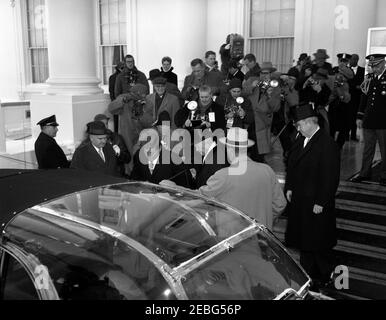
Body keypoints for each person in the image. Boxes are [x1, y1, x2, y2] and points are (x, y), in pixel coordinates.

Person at [285, 103, 340, 291]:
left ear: (310, 122)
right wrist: (289, 187)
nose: (297, 128)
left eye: (299, 124)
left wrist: (321, 201)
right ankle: (308, 274)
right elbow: (292, 165)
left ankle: (325, 276)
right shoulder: (301, 139)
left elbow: (330, 176)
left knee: (317, 241)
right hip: (301, 198)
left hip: (316, 201)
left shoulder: (326, 144)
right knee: (305, 240)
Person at [199, 127, 287, 230]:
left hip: (234, 241)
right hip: (262, 238)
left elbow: (198, 198)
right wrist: (264, 219)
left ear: (230, 149)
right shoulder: (267, 170)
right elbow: (280, 204)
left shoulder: (223, 176)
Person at [352, 54, 386, 186]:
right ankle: (364, 173)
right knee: (368, 149)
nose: (373, 68)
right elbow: (364, 99)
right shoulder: (369, 78)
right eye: (371, 65)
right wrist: (359, 116)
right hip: (369, 120)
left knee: (384, 150)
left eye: (375, 65)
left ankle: (384, 175)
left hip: (383, 122)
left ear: (383, 64)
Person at [242, 61, 282, 162]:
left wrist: (269, 95)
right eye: (262, 73)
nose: (264, 75)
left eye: (267, 73)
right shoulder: (252, 80)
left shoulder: (275, 87)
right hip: (248, 119)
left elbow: (276, 107)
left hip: (262, 121)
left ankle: (257, 170)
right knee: (244, 149)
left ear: (271, 74)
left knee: (258, 152)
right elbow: (242, 93)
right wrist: (252, 86)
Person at [348, 54, 365, 141]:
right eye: (351, 59)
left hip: (358, 97)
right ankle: (346, 135)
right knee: (347, 116)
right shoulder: (346, 70)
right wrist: (355, 87)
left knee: (355, 115)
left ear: (357, 60)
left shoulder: (363, 70)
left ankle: (354, 135)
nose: (352, 61)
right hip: (348, 97)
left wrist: (360, 87)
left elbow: (364, 82)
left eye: (354, 59)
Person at [109, 61, 125, 132]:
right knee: (117, 122)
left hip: (125, 101)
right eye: (122, 68)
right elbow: (111, 91)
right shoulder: (113, 77)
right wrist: (115, 102)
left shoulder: (126, 76)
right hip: (117, 101)